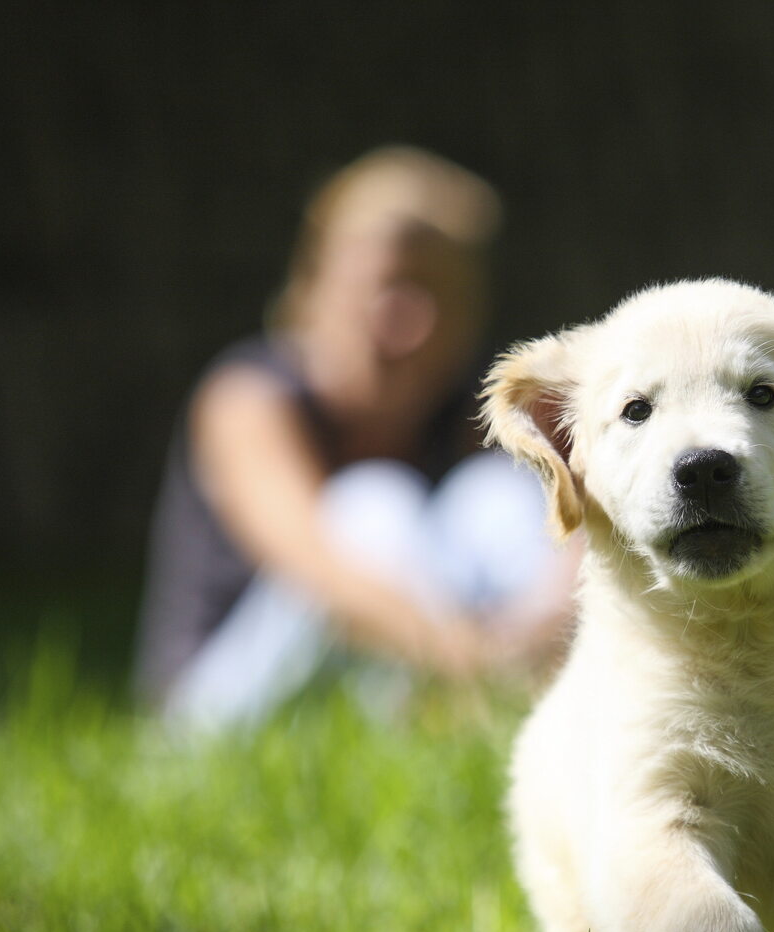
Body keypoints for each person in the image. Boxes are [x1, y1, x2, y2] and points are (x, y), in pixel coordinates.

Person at [134, 146, 575, 729]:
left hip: (414, 679)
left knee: (495, 496)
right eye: (385, 289)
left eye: (438, 295)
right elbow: (319, 567)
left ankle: (553, 704)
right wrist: (473, 661)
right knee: (370, 503)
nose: (408, 323)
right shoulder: (248, 398)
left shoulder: (473, 407)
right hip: (217, 710)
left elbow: (579, 541)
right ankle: (492, 707)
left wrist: (538, 628)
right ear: (315, 288)